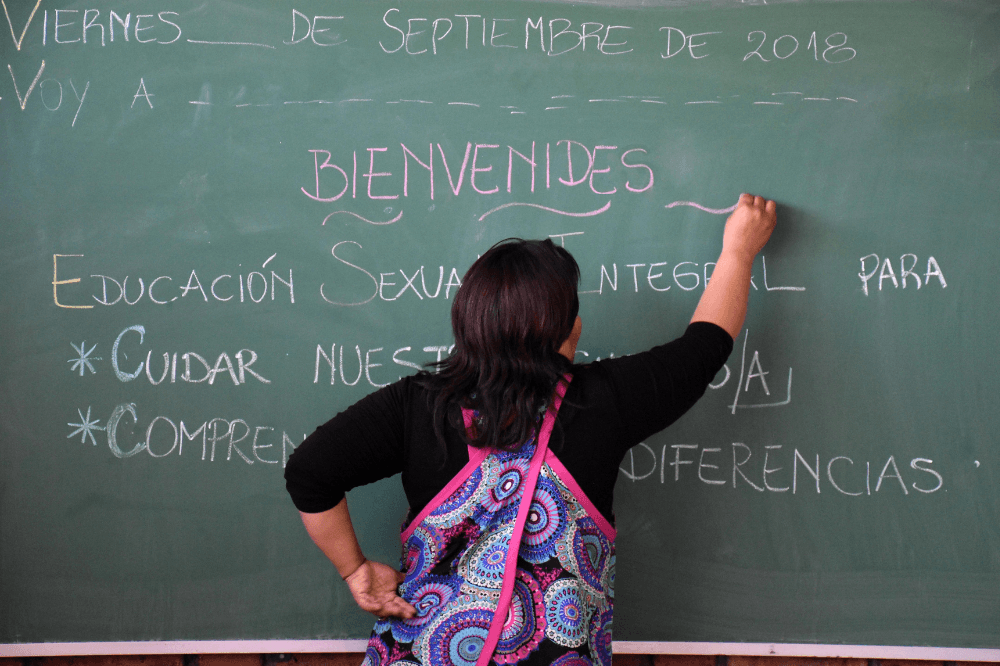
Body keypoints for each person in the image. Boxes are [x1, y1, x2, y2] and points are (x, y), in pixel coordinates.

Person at [285, 193, 777, 666]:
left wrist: (357, 571)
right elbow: (705, 346)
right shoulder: (604, 402)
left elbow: (310, 472)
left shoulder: (417, 405)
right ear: (569, 330)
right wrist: (739, 250)